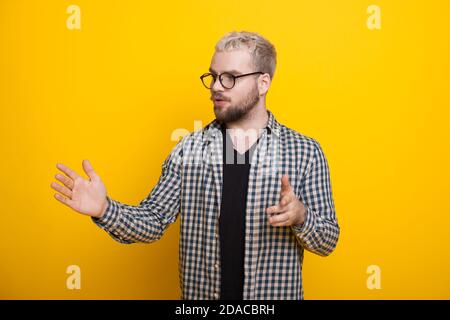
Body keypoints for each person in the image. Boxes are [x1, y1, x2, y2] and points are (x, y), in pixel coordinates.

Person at [51, 31, 340, 300]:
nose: (216, 86)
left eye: (230, 77)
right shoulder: (188, 150)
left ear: (263, 83)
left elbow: (327, 241)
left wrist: (301, 216)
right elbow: (153, 220)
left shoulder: (305, 152)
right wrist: (105, 209)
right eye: (213, 76)